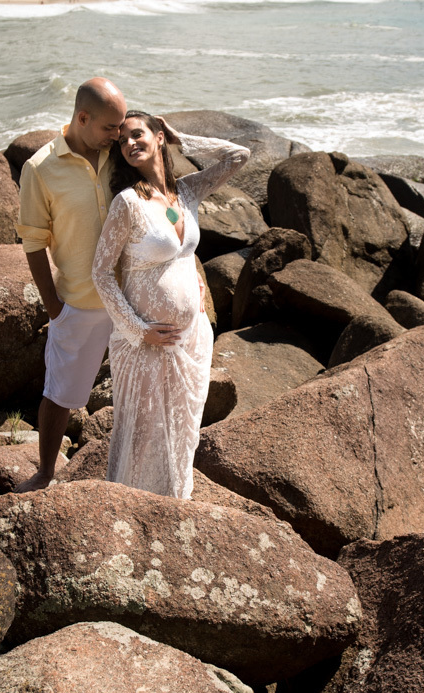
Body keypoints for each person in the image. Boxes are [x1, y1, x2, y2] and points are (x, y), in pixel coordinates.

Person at [91, 112, 249, 499]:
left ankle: (174, 503)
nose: (128, 143)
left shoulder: (187, 193)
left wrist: (181, 137)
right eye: (122, 140)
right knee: (142, 434)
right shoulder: (127, 203)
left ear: (158, 136)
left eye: (137, 134)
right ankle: (129, 507)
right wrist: (138, 330)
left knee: (182, 430)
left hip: (190, 337)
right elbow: (101, 273)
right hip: (145, 342)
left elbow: (239, 156)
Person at [14, 78, 127, 493]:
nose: (119, 135)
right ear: (82, 118)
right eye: (110, 128)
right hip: (79, 304)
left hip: (131, 300)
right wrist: (53, 307)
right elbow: (32, 241)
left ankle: (137, 470)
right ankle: (45, 473)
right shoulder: (40, 168)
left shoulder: (120, 155)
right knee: (60, 393)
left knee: (138, 393)